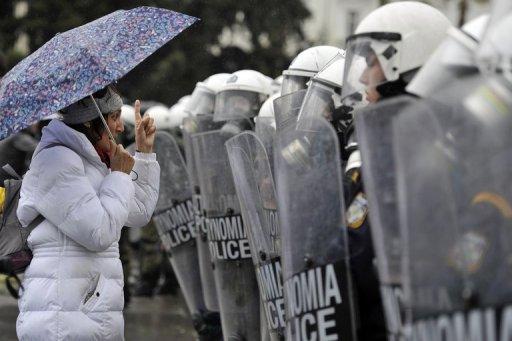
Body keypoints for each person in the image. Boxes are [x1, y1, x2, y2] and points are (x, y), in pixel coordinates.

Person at [16, 85, 160, 340]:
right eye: (114, 117)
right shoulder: (56, 160)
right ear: (91, 121)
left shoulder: (93, 160)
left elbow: (138, 213)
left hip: (88, 313)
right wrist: (118, 175)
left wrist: (145, 155)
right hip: (62, 318)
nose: (120, 127)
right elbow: (99, 233)